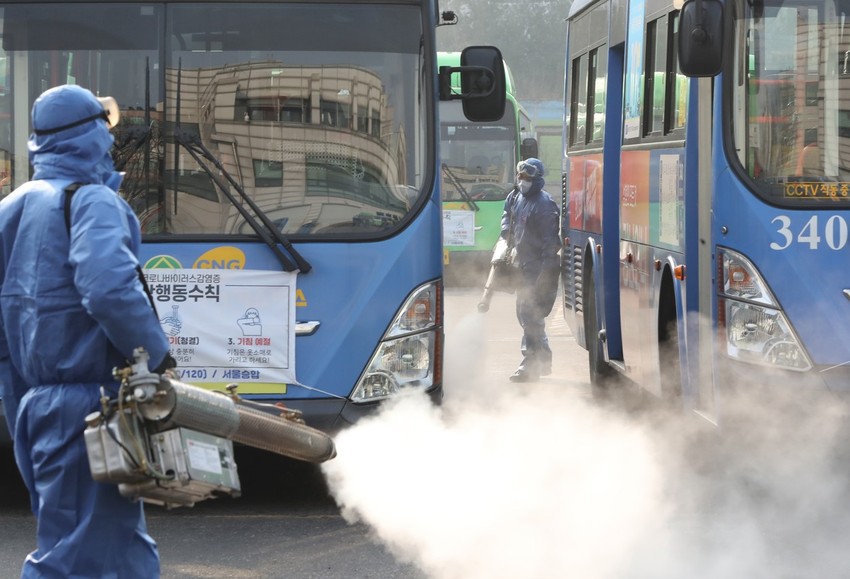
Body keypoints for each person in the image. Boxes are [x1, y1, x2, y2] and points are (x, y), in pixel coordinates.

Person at [0, 84, 175, 578]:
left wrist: (22, 412)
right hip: (91, 407)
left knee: (115, 551)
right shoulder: (92, 200)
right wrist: (157, 358)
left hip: (36, 404)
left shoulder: (14, 206)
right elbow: (108, 290)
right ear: (93, 134)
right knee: (76, 557)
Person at [500, 158, 561, 383]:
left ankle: (531, 363)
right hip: (522, 266)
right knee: (526, 315)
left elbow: (550, 244)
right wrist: (506, 229)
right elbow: (507, 213)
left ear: (537, 179)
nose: (522, 181)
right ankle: (543, 359)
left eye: (527, 178)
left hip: (538, 269)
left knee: (530, 314)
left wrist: (545, 276)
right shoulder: (516, 197)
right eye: (520, 177)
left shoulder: (544, 205)